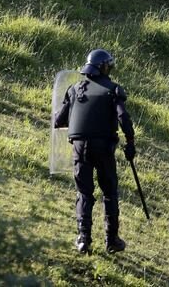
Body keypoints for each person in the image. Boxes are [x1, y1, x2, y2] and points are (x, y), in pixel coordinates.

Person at [54, 48, 135, 255]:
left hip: (80, 148)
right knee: (109, 193)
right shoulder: (113, 90)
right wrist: (130, 141)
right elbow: (123, 118)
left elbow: (59, 121)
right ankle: (112, 240)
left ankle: (83, 239)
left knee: (84, 193)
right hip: (104, 147)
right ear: (104, 68)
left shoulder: (74, 90)